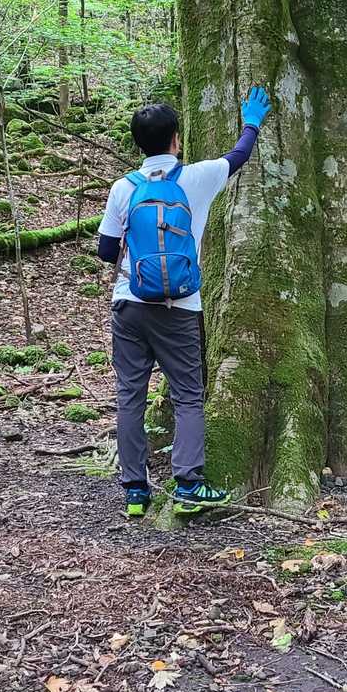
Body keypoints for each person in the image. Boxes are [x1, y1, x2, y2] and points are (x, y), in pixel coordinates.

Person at [97, 85, 272, 517]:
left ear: (138, 144)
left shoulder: (123, 188)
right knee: (189, 395)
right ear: (177, 139)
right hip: (180, 307)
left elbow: (105, 249)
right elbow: (238, 157)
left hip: (130, 304)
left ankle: (135, 491)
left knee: (130, 396)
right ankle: (189, 485)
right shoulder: (196, 178)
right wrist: (251, 122)